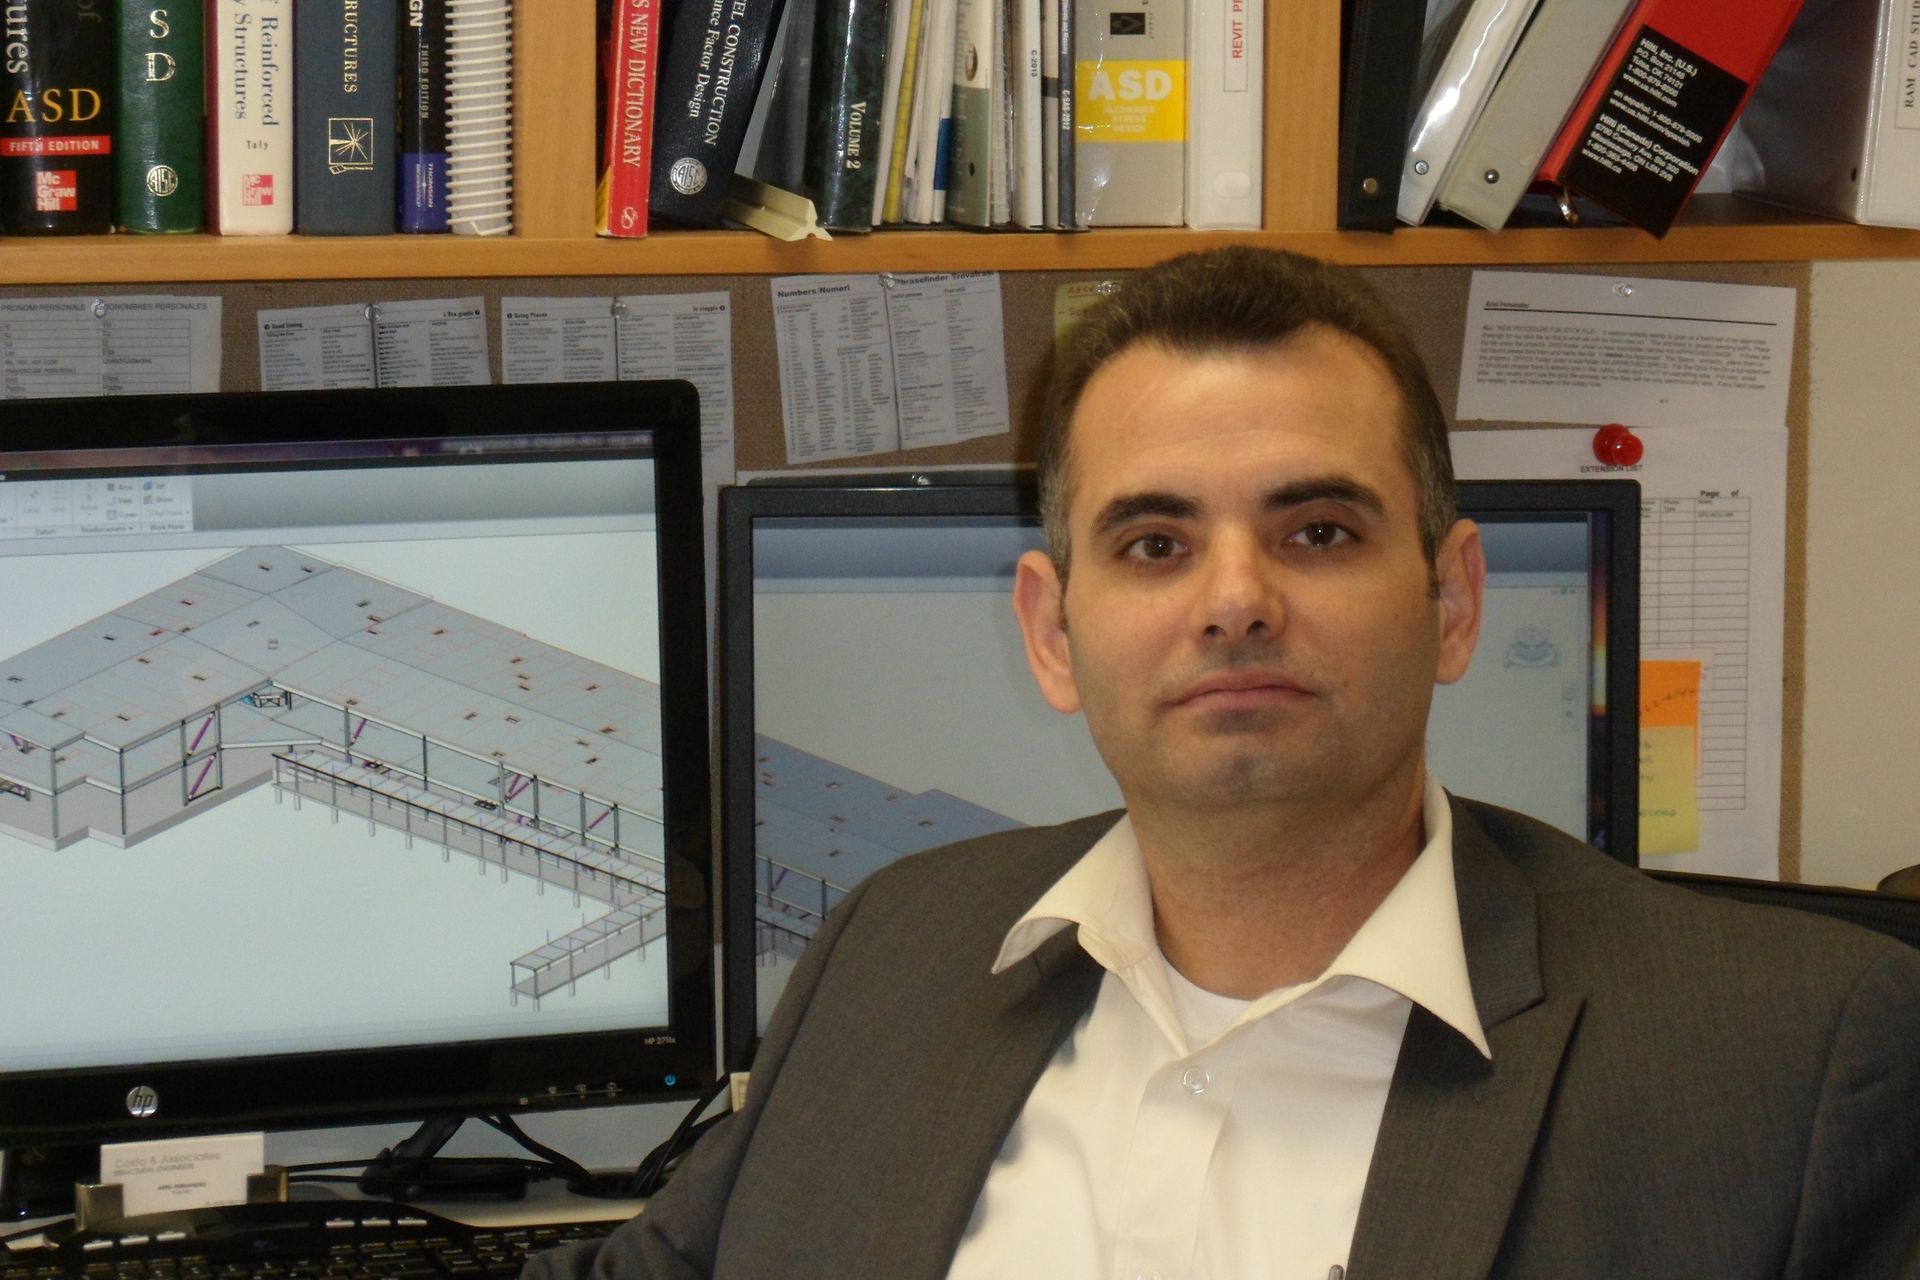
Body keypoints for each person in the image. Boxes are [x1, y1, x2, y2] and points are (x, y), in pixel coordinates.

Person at [528, 248, 1920, 1279]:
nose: (1237, 599)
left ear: (1451, 602)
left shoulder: (1786, 1065)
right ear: (1052, 632)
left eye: (1318, 532)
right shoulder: (896, 955)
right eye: (1155, 544)